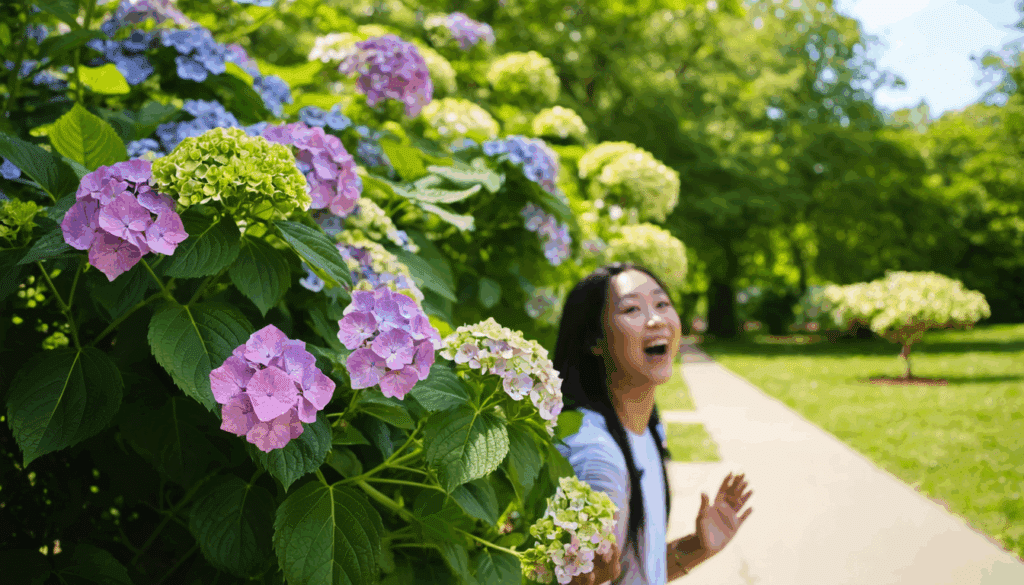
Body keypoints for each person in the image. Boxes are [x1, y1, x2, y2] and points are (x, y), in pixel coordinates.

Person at [552, 262, 754, 585]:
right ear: (595, 340)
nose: (656, 319)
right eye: (632, 309)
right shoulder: (598, 459)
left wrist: (697, 547)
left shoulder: (645, 430)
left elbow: (633, 573)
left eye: (662, 304)